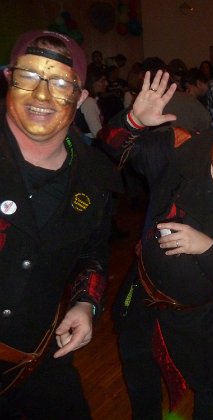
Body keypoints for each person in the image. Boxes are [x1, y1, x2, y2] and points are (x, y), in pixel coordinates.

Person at [100, 70, 213, 419]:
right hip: (142, 297)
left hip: (203, 319)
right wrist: (135, 121)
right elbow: (110, 145)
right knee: (139, 377)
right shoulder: (180, 147)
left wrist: (207, 248)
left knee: (209, 391)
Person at [0, 30, 120, 418]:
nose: (41, 96)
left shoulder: (95, 175)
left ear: (81, 97)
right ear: (9, 77)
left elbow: (93, 252)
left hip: (35, 361)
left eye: (61, 84)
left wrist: (86, 302)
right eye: (29, 76)